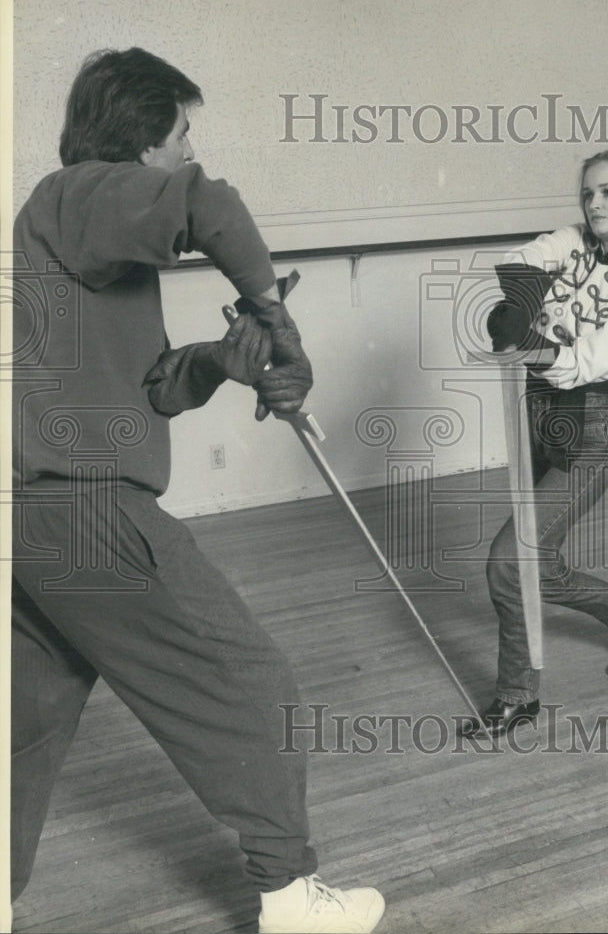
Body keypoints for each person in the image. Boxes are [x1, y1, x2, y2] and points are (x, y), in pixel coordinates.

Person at [11, 47, 385, 934]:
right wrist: (273, 313)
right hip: (91, 511)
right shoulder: (81, 193)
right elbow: (210, 205)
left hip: (38, 527)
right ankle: (293, 898)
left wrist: (225, 360)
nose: (187, 153)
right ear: (141, 141)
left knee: (23, 727)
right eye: (181, 134)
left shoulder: (83, 234)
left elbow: (149, 388)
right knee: (254, 682)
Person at [462, 145, 608, 739]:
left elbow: (580, 364)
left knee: (509, 565)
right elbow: (521, 262)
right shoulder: (572, 241)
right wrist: (519, 309)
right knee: (542, 565)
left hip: (587, 432)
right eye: (588, 192)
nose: (595, 202)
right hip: (535, 417)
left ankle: (517, 696)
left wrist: (528, 337)